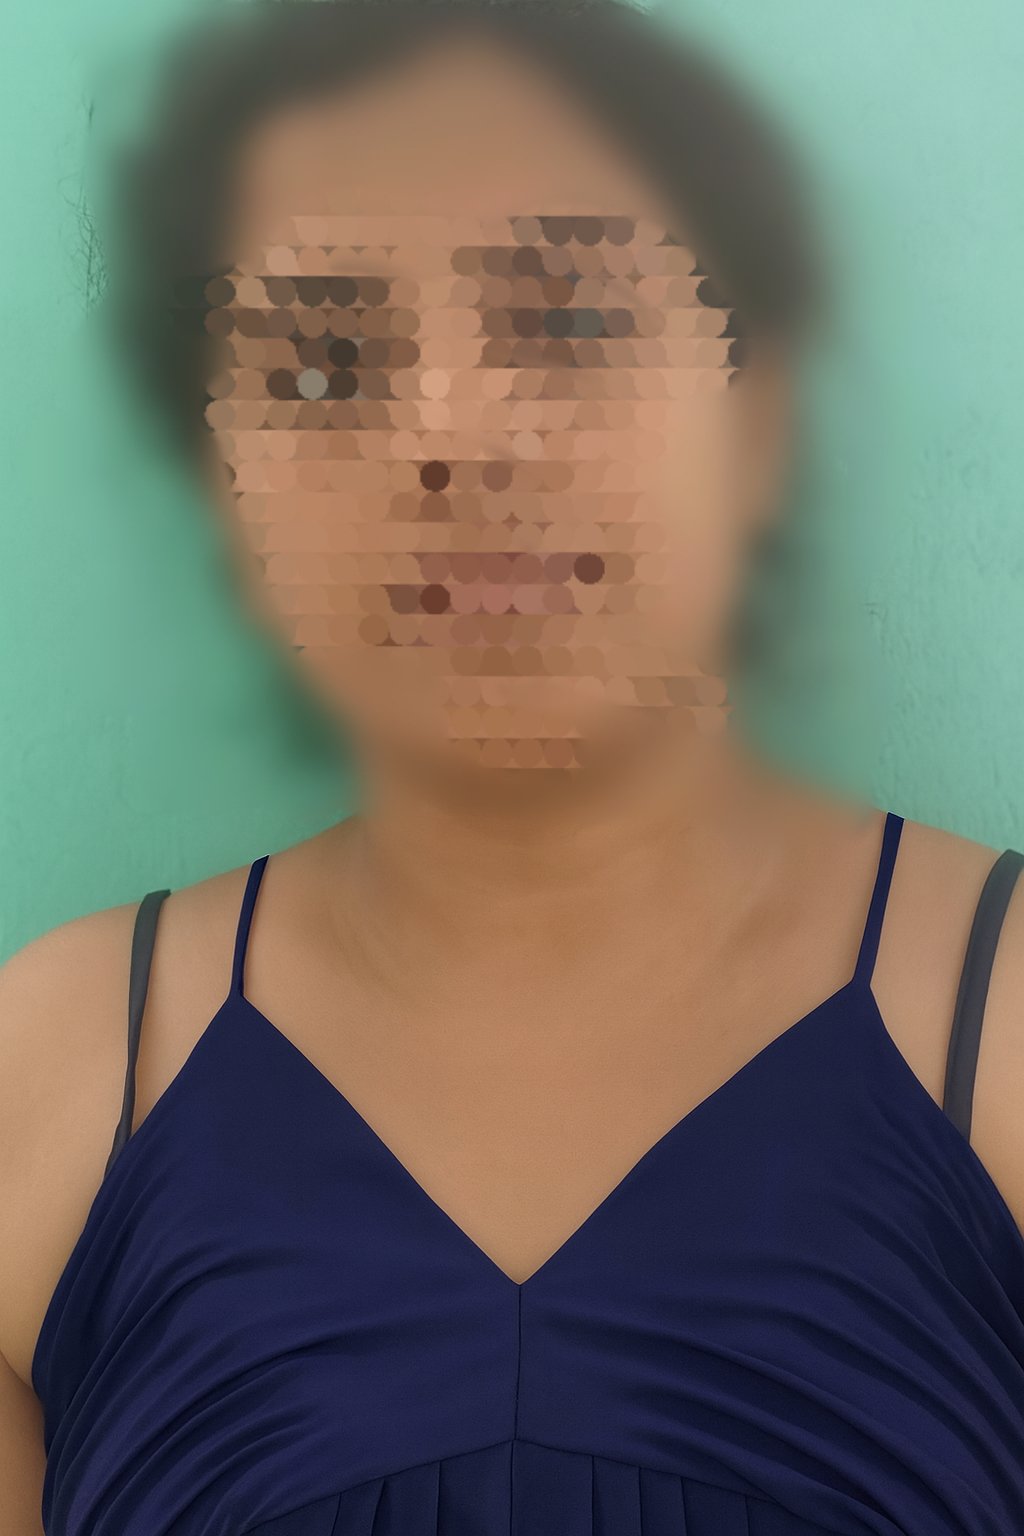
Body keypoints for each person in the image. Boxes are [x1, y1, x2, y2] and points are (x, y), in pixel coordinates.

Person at [1, 2, 1022, 1531]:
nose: (454, 436)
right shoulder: (52, 1079)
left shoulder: (1006, 1030)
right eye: (327, 363)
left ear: (757, 421)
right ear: (228, 481)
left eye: (572, 324)